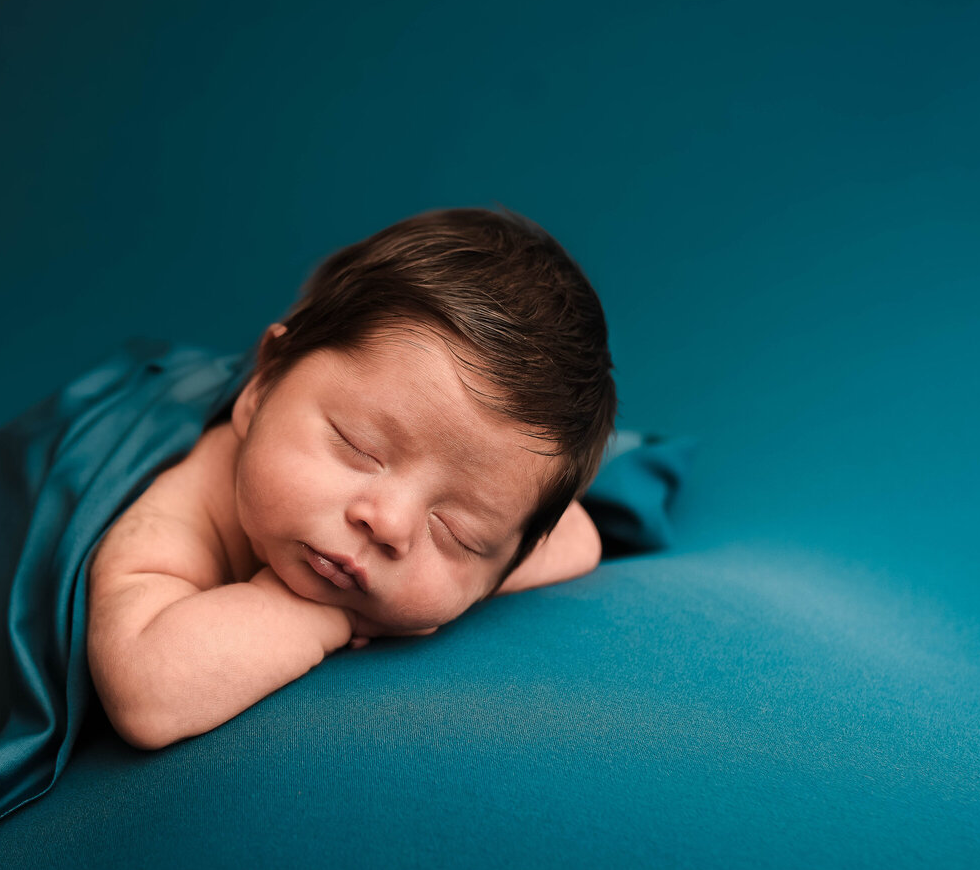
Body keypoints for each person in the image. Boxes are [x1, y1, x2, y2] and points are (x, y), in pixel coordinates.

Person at [87, 206, 618, 750]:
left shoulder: (506, 520)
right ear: (262, 385)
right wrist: (322, 618)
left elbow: (578, 537)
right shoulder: (175, 510)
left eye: (456, 532)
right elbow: (149, 695)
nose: (389, 524)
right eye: (358, 447)